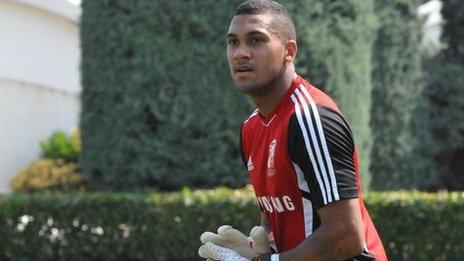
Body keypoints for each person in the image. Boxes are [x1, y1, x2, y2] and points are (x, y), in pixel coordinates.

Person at [198, 0, 387, 260]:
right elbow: (277, 221)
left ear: (289, 51)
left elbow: (346, 236)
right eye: (233, 42)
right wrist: (260, 249)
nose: (240, 53)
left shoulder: (311, 119)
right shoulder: (250, 129)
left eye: (255, 40)